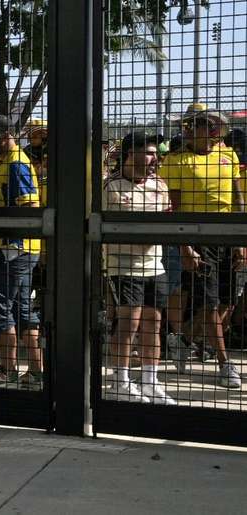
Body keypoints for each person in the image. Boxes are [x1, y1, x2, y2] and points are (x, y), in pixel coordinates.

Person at [159, 104, 244, 388]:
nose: (209, 129)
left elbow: (237, 198)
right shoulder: (175, 161)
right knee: (210, 303)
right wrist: (184, 246)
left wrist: (241, 240)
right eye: (201, 124)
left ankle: (183, 339)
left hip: (228, 236)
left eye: (212, 124)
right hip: (197, 237)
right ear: (189, 129)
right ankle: (224, 364)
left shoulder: (227, 154)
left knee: (229, 301)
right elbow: (175, 209)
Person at [103, 132, 175, 405]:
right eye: (149, 152)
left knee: (153, 323)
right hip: (122, 265)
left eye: (156, 153)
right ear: (130, 154)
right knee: (127, 324)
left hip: (154, 265)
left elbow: (168, 220)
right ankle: (120, 381)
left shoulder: (159, 184)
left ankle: (150, 381)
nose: (155, 158)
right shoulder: (110, 186)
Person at [0, 115, 43, 387]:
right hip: (17, 248)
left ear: (4, 135)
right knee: (22, 310)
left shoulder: (16, 163)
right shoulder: (6, 162)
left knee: (0, 308)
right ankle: (38, 371)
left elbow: (27, 207)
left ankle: (8, 368)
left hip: (13, 248)